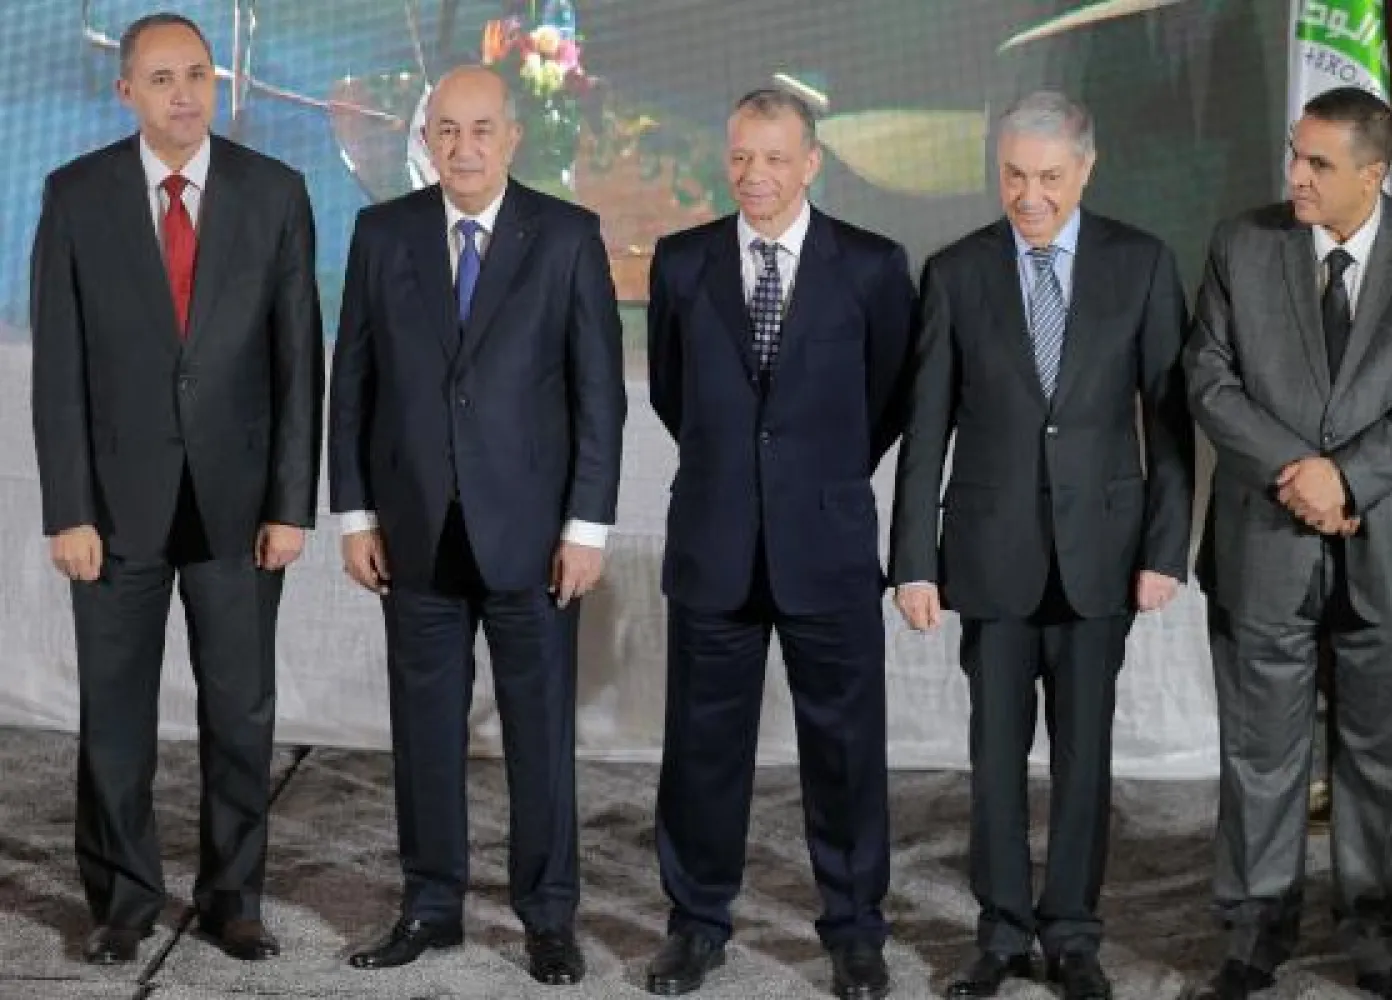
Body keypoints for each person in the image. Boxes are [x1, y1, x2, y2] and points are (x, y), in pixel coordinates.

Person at [29, 11, 322, 965]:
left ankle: (234, 896)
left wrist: (291, 504)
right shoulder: (75, 196)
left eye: (197, 73)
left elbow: (296, 366)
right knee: (116, 716)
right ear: (126, 93)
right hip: (113, 511)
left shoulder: (275, 193)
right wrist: (67, 509)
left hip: (241, 512)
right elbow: (60, 371)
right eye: (161, 78)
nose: (184, 93)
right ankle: (122, 901)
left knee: (240, 711)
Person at [889, 90, 1194, 1000]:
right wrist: (913, 561)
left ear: (1086, 170)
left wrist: (1164, 553)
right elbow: (926, 427)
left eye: (1049, 178)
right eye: (1014, 175)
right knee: (992, 758)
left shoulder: (1141, 265)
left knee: (1085, 754)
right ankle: (999, 931)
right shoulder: (955, 271)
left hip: (1103, 553)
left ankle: (1072, 933)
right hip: (989, 557)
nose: (1029, 196)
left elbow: (1172, 425)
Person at [327, 65, 625, 986]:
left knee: (540, 736)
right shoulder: (384, 232)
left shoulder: (568, 235)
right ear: (429, 136)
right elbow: (355, 384)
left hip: (534, 541)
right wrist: (354, 512)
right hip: (413, 532)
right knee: (422, 732)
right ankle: (431, 905)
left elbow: (597, 398)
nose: (462, 148)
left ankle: (547, 916)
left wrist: (587, 529)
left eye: (480, 130)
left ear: (513, 136)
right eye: (445, 130)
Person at [1183, 86, 1392, 1000]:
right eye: (1293, 156)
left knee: (1384, 756)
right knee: (1259, 751)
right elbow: (1210, 374)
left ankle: (1379, 931)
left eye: (1317, 163)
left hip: (1389, 544)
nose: (1296, 177)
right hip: (1267, 541)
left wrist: (1347, 478)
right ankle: (1254, 928)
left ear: (1373, 172)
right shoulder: (1244, 242)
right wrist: (1302, 475)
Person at [643, 88, 916, 999]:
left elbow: (886, 401)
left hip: (827, 548)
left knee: (843, 753)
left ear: (811, 163)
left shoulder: (874, 267)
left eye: (773, 159)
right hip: (715, 545)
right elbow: (674, 398)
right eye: (740, 158)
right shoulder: (682, 264)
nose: (754, 176)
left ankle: (853, 932)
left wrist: (815, 481)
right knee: (701, 750)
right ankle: (695, 924)